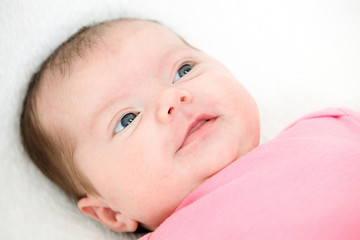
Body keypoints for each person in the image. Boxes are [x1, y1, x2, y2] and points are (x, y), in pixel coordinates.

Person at [20, 18, 360, 239]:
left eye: (183, 70)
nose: (174, 97)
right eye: (127, 119)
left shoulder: (326, 128)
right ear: (110, 212)